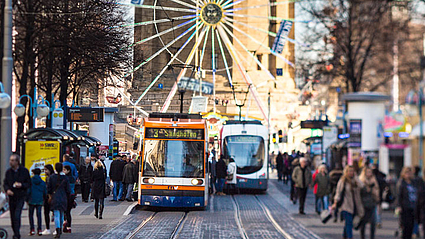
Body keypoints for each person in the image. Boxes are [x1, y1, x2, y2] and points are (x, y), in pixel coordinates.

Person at [332, 165, 364, 239]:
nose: (351, 173)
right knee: (349, 223)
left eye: (352, 171)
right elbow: (338, 192)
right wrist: (335, 202)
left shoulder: (355, 181)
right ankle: (350, 237)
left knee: (348, 223)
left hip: (355, 206)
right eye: (349, 171)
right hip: (345, 205)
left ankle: (344, 236)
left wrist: (356, 178)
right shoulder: (343, 181)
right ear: (346, 172)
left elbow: (362, 186)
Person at [4, 154, 31, 239]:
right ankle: (15, 232)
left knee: (17, 215)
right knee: (12, 216)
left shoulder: (24, 171)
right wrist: (7, 189)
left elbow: (29, 183)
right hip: (11, 196)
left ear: (17, 162)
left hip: (20, 195)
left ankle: (17, 234)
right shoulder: (8, 172)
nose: (10, 162)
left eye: (12, 160)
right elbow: (5, 183)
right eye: (10, 160)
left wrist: (22, 185)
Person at [47, 163, 71, 239]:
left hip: (55, 197)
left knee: (56, 214)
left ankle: (57, 230)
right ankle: (60, 228)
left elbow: (49, 189)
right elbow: (68, 190)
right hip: (63, 197)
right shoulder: (65, 178)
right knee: (61, 214)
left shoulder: (51, 177)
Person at [396, 167, 417, 239]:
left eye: (410, 173)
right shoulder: (401, 183)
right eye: (407, 173)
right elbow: (399, 195)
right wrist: (399, 206)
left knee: (411, 226)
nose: (408, 174)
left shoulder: (413, 182)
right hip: (405, 207)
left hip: (413, 206)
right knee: (405, 226)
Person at [359, 167, 379, 239]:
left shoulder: (373, 181)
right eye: (368, 172)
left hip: (372, 203)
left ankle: (372, 237)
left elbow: (377, 191)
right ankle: (362, 236)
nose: (369, 174)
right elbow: (359, 193)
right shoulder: (361, 181)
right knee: (363, 222)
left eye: (370, 172)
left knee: (373, 222)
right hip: (364, 204)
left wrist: (374, 192)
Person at [28, 168, 47, 236]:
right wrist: (44, 199)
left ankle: (32, 229)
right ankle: (39, 229)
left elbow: (28, 191)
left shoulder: (30, 181)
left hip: (31, 199)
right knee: (39, 215)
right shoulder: (42, 182)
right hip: (39, 199)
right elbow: (45, 192)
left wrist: (27, 199)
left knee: (31, 215)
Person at [42, 164, 54, 235]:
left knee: (46, 212)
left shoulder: (50, 178)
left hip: (49, 197)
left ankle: (48, 228)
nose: (45, 171)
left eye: (46, 170)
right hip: (50, 197)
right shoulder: (48, 177)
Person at [63, 165, 76, 233]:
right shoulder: (73, 178)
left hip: (67, 195)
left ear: (68, 171)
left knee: (65, 211)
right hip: (72, 195)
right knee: (68, 212)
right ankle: (69, 227)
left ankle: (65, 222)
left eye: (64, 170)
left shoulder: (65, 178)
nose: (63, 171)